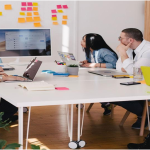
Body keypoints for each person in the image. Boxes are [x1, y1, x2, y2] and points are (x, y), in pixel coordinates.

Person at [113, 28, 150, 129]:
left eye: (121, 38)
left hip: (146, 85)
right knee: (112, 95)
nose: (119, 40)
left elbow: (134, 71)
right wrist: (129, 65)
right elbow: (119, 67)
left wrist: (123, 53)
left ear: (130, 40)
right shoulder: (129, 49)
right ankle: (144, 114)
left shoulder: (148, 50)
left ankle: (145, 114)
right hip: (139, 82)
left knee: (120, 97)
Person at [80, 33, 118, 115]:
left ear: (92, 42)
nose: (81, 42)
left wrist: (95, 65)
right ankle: (105, 103)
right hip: (97, 75)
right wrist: (87, 62)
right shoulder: (89, 51)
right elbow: (94, 62)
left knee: (90, 86)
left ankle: (107, 104)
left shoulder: (103, 51)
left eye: (83, 40)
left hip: (107, 78)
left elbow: (114, 65)